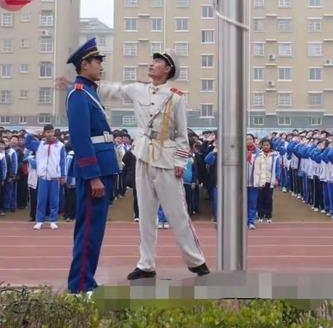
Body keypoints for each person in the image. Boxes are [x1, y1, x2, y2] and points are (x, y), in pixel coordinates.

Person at [85, 49, 209, 280]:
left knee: (177, 213)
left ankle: (196, 261)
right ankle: (146, 264)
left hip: (166, 159)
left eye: (158, 62)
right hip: (142, 155)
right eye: (153, 61)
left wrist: (181, 161)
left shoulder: (176, 97)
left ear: (168, 69)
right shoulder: (138, 90)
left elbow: (182, 135)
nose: (152, 65)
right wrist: (82, 82)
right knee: (146, 214)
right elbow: (113, 90)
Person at [64, 37, 119, 294]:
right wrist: (93, 176)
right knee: (88, 232)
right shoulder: (78, 94)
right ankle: (80, 286)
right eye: (97, 61)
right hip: (94, 172)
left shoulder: (89, 92)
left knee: (94, 232)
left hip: (103, 168)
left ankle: (87, 281)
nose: (101, 65)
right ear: (84, 64)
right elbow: (80, 138)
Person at [25, 125, 66, 230]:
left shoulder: (60, 146)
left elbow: (62, 162)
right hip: (43, 176)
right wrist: (32, 134)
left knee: (54, 200)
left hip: (55, 177)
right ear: (44, 133)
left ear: (54, 132)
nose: (49, 134)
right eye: (47, 132)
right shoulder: (39, 145)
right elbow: (27, 144)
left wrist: (63, 176)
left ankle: (53, 220)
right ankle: (39, 221)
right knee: (42, 199)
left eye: (51, 132)